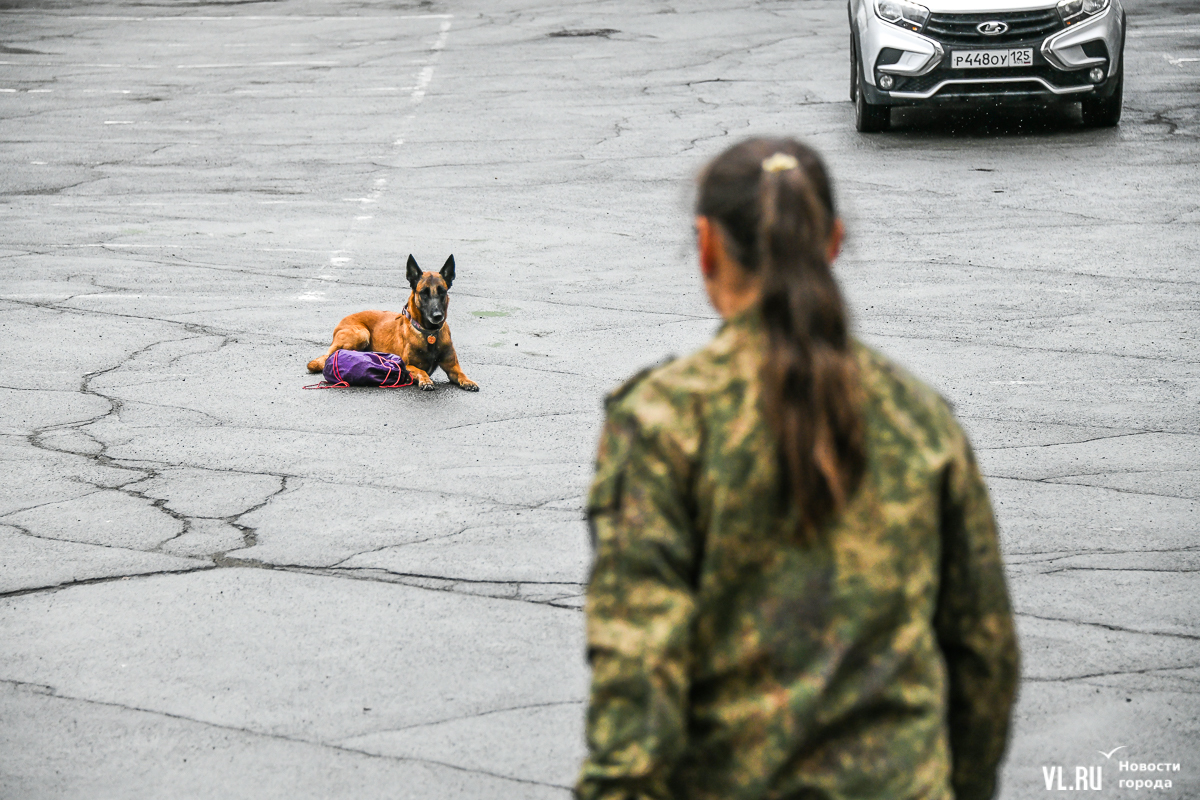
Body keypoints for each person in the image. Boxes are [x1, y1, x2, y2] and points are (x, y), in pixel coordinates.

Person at [576, 137, 1019, 800]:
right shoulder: (922, 422)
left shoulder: (664, 423)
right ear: (832, 242)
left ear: (707, 246)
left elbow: (638, 682)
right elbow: (984, 656)